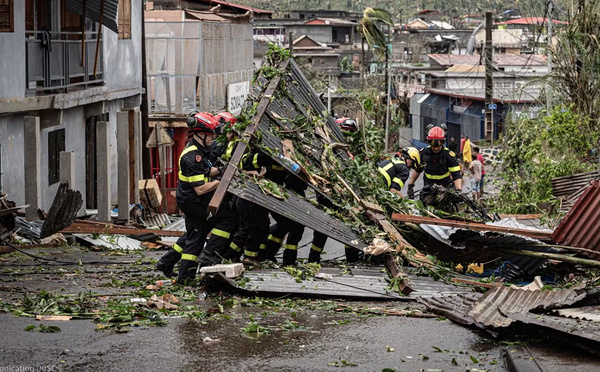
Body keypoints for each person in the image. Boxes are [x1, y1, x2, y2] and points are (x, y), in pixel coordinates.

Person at [172, 112, 235, 283]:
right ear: (200, 133)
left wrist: (224, 170)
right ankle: (207, 258)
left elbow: (206, 171)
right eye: (211, 134)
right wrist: (221, 181)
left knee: (196, 236)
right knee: (227, 219)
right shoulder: (191, 156)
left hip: (191, 199)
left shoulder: (200, 150)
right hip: (192, 200)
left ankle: (183, 276)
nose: (214, 137)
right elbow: (200, 189)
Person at [407, 126, 462, 203]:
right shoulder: (424, 153)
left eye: (438, 146)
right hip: (428, 188)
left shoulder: (449, 155)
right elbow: (417, 170)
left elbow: (456, 176)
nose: (436, 148)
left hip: (445, 187)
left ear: (442, 143)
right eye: (433, 146)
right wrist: (410, 185)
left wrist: (458, 190)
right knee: (424, 204)